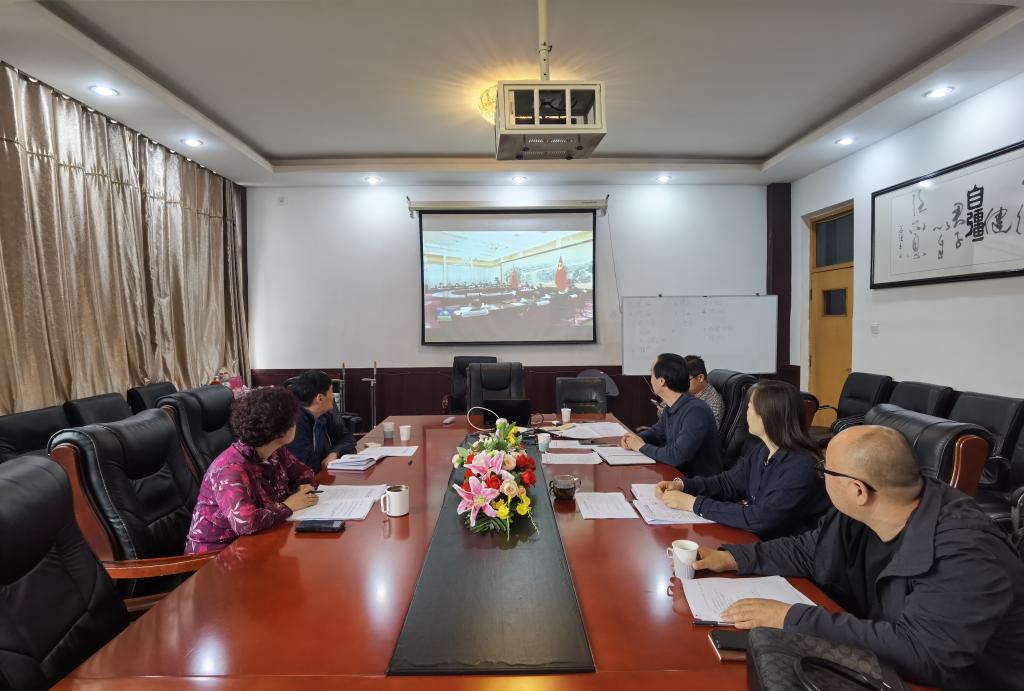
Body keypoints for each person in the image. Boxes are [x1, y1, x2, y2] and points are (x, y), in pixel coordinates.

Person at [692, 425, 1024, 689]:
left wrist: (790, 618)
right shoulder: (864, 511)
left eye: (824, 470)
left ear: (858, 490)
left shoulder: (966, 552)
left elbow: (923, 654)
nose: (820, 477)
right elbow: (809, 550)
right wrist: (732, 557)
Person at [653, 380, 829, 539]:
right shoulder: (762, 449)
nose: (747, 412)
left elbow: (759, 518)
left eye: (750, 406)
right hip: (760, 540)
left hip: (788, 551)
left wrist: (693, 504)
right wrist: (684, 485)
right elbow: (728, 483)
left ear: (768, 415)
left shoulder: (802, 465)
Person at [185, 386, 319, 554]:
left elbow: (304, 472)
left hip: (260, 541)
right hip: (217, 556)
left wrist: (303, 486)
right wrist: (289, 505)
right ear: (281, 431)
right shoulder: (230, 469)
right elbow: (245, 524)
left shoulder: (276, 451)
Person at [620, 353, 721, 477]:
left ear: (661, 381)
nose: (650, 379)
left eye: (651, 374)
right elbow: (657, 432)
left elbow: (676, 456)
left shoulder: (696, 411)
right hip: (676, 475)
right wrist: (634, 438)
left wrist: (641, 446)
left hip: (697, 482)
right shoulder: (672, 405)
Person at [287, 370, 357, 473]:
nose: (333, 396)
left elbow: (348, 438)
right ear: (320, 398)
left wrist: (334, 452)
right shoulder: (296, 423)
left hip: (325, 475)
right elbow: (307, 466)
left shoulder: (324, 416)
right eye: (331, 392)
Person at [683, 355, 725, 428]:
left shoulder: (713, 403)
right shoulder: (688, 393)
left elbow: (704, 432)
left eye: (685, 380)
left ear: (700, 378)